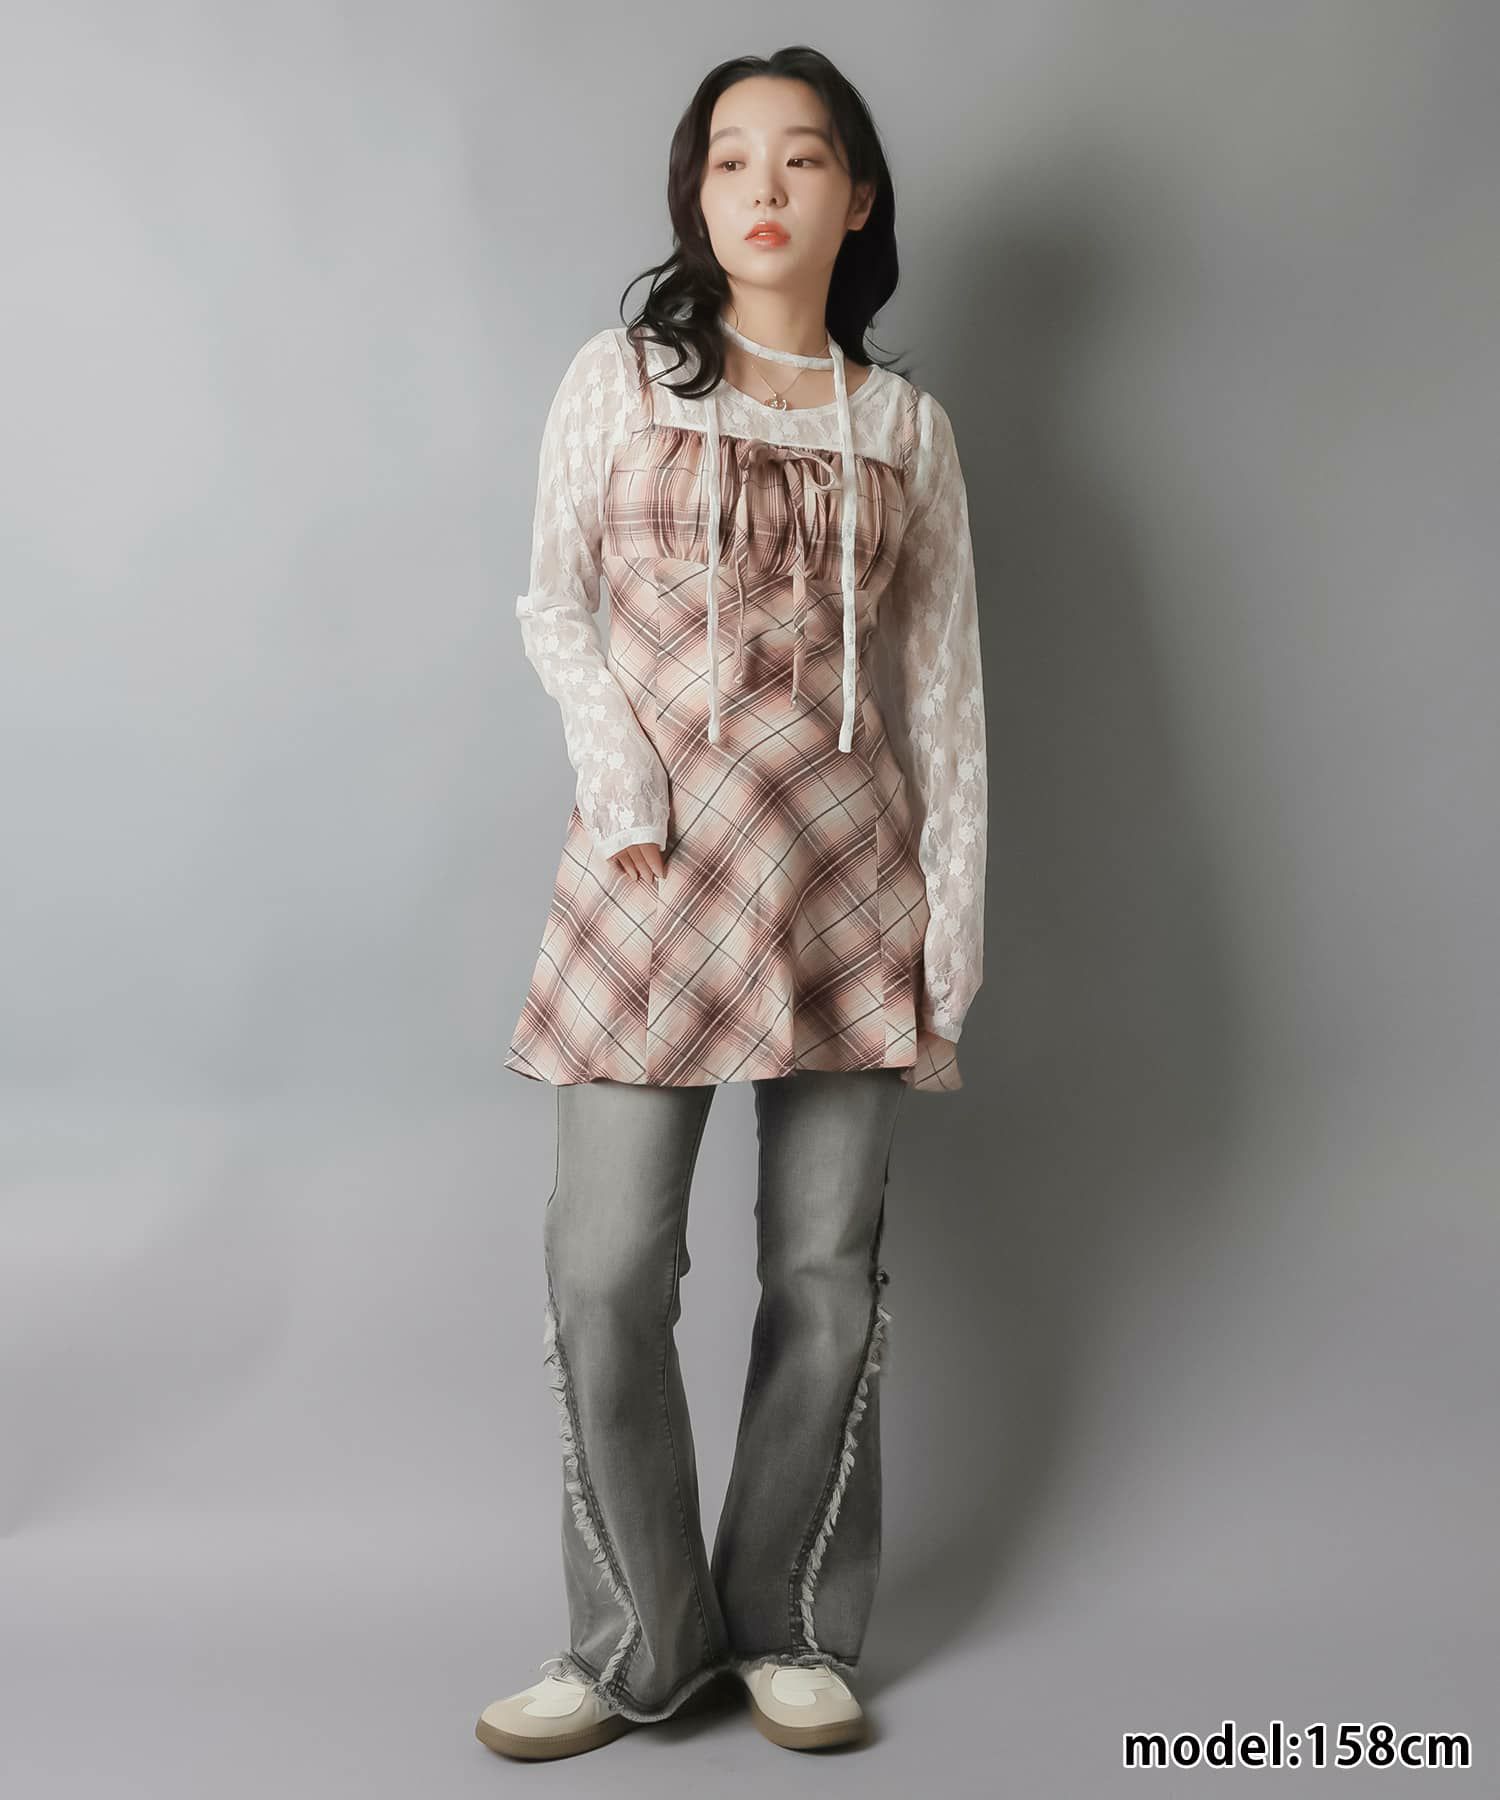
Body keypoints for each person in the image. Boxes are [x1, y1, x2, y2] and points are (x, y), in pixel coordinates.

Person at [477, 44, 987, 1761]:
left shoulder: (905, 430)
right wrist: (624, 777)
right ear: (696, 197)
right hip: (650, 880)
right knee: (608, 1268)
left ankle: (787, 1624)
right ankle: (638, 1637)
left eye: (804, 157)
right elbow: (553, 605)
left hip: (846, 880)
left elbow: (940, 698)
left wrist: (951, 926)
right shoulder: (619, 382)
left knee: (823, 1272)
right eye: (728, 160)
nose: (763, 187)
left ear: (859, 197)